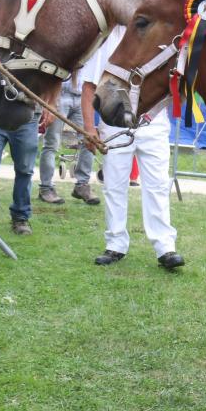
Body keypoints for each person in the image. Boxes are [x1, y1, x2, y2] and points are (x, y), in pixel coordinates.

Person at [81, 26, 184, 270]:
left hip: (153, 121)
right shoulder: (107, 41)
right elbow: (88, 87)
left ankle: (165, 247)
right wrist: (89, 128)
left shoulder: (158, 39)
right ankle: (115, 244)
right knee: (114, 185)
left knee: (158, 184)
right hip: (114, 125)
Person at [38, 76, 100, 205]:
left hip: (84, 96)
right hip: (60, 94)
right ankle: (46, 187)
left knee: (89, 141)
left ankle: (82, 185)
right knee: (51, 143)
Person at [0, 108, 40, 235]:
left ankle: (20, 217)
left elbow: (53, 87)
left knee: (25, 169)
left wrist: (52, 105)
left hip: (28, 116)